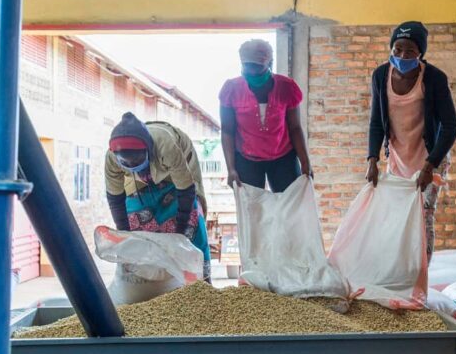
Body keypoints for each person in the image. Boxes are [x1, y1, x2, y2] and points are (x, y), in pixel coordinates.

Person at [366, 21, 456, 263]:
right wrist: (372, 160)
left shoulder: (435, 78)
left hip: (432, 155)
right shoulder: (380, 75)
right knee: (398, 214)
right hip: (399, 154)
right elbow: (376, 122)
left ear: (421, 53)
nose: (402, 55)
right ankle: (400, 269)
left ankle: (421, 277)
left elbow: (451, 127)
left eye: (410, 51)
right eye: (397, 49)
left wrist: (429, 167)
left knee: (423, 214)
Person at [105, 112, 211, 282]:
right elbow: (116, 199)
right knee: (135, 216)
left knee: (192, 220)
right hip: (139, 182)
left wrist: (180, 233)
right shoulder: (112, 158)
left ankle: (199, 283)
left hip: (177, 165)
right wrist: (125, 236)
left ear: (147, 149)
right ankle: (150, 283)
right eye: (127, 163)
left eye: (137, 160)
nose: (132, 165)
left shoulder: (166, 145)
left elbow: (186, 190)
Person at [219, 39, 312, 192]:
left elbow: (295, 127)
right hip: (247, 159)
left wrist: (305, 162)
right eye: (247, 67)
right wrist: (231, 169)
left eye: (258, 67)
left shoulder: (286, 87)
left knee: (288, 205)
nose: (253, 72)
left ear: (270, 63)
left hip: (283, 157)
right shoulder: (232, 89)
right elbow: (227, 130)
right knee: (252, 209)